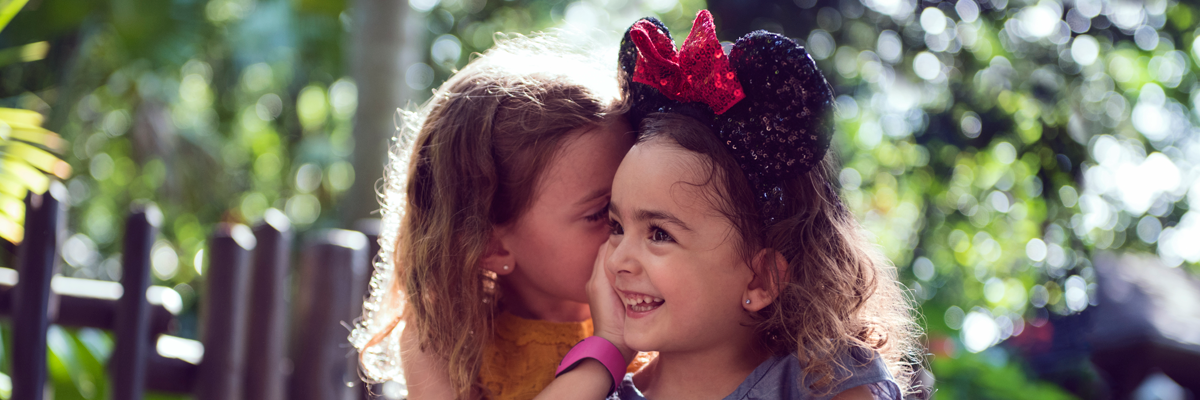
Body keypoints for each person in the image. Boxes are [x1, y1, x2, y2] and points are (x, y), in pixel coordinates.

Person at [538, 11, 922, 400]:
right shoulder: (599, 391)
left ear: (761, 279)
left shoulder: (826, 382)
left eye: (658, 234)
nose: (619, 259)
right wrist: (608, 349)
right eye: (616, 226)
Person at [349, 34, 640, 400]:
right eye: (600, 212)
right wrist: (606, 352)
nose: (631, 229)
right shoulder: (444, 343)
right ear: (490, 246)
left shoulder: (656, 306)